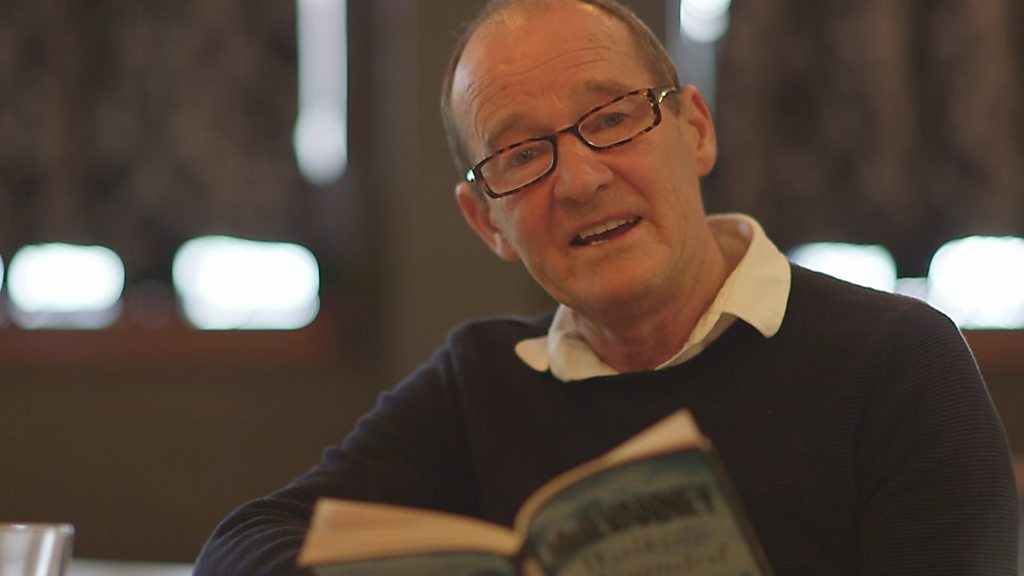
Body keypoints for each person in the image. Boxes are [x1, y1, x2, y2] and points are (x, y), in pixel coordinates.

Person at [194, 0, 1019, 574]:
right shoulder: (480, 384)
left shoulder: (898, 363)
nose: (582, 180)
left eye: (614, 118)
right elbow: (241, 546)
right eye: (521, 155)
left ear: (695, 129)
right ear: (487, 222)